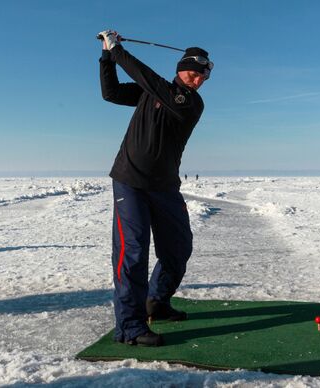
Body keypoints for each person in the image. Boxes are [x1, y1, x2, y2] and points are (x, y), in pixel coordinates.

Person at [98, 30, 213, 347]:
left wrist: (118, 50)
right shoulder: (152, 92)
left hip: (164, 186)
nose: (198, 80)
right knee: (132, 252)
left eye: (203, 77)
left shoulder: (190, 102)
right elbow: (110, 93)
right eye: (194, 72)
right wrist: (108, 56)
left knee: (178, 248)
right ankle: (130, 327)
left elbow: (148, 79)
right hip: (130, 182)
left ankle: (156, 301)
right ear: (182, 66)